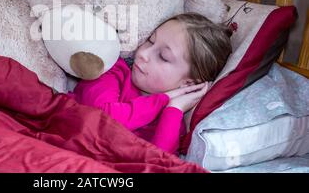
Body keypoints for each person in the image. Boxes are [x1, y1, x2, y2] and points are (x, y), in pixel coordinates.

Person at [68, 13, 233, 155]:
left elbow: (158, 162)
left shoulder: (171, 118)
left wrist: (174, 109)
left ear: (188, 83)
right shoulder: (110, 69)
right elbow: (101, 119)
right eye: (150, 41)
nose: (143, 54)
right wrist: (163, 99)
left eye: (163, 56)